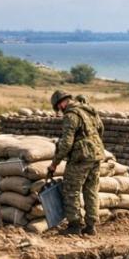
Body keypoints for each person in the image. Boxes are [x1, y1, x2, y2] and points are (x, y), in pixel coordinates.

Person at [47, 89, 105, 236]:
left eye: (58, 107)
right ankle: (91, 225)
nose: (59, 110)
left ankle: (74, 225)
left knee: (71, 189)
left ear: (60, 104)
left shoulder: (71, 115)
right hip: (96, 154)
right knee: (91, 190)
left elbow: (66, 143)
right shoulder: (88, 110)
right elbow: (101, 129)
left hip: (82, 157)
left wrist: (55, 163)